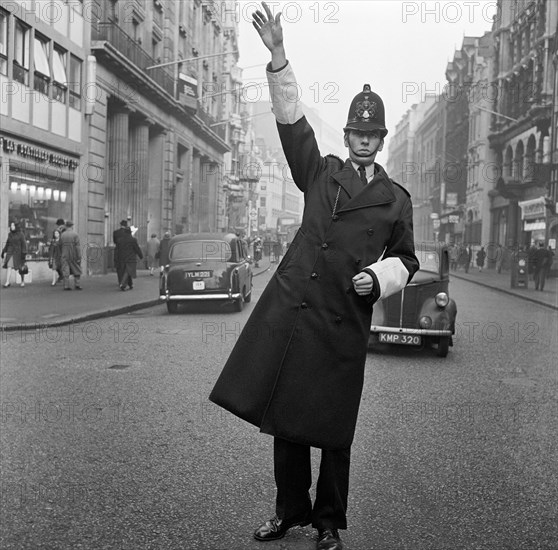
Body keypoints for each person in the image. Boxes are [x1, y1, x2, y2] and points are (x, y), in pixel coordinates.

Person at [209, 5, 419, 549]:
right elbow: (291, 123)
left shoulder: (396, 200)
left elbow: (407, 259)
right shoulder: (320, 171)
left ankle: (328, 523)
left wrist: (381, 278)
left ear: (382, 138)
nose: (364, 139)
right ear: (347, 133)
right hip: (299, 315)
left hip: (344, 322)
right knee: (285, 422)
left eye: (372, 133)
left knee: (333, 431)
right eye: (357, 130)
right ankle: (288, 511)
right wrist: (279, 58)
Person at [1, 222, 27, 287]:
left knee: (20, 268)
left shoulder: (21, 234)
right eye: (11, 225)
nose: (11, 226)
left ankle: (22, 281)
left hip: (18, 253)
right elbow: (7, 243)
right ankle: (7, 282)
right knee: (9, 266)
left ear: (16, 226)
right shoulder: (10, 234)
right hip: (10, 253)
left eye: (13, 225)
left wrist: (24, 253)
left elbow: (24, 244)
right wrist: (3, 251)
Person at [59, 220, 82, 290]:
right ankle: (77, 284)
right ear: (72, 226)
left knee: (65, 270)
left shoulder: (62, 235)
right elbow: (77, 247)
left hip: (64, 254)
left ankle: (66, 286)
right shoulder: (75, 234)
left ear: (66, 226)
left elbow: (60, 245)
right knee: (77, 269)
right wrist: (79, 256)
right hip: (73, 254)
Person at [113, 220, 128, 285]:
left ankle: (120, 281)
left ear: (120, 225)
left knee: (119, 267)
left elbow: (114, 241)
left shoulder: (115, 232)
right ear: (126, 225)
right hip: (126, 252)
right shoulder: (128, 233)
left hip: (118, 251)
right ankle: (124, 281)